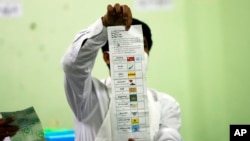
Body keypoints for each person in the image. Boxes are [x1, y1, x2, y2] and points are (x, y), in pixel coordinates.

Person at [62, 3, 182, 141]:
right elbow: (72, 64)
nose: (135, 50)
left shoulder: (165, 105)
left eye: (142, 45)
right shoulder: (88, 97)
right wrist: (104, 26)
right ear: (107, 57)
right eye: (125, 43)